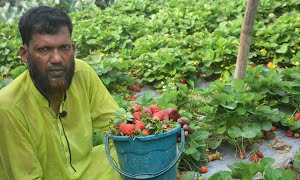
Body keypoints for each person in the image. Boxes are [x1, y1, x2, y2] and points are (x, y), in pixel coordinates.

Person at [0, 6, 190, 180]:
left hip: (88, 170)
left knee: (140, 154)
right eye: (44, 49)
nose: (57, 59)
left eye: (64, 48)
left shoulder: (81, 73)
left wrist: (164, 132)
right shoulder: (8, 106)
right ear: (25, 54)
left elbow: (118, 126)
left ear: (73, 49)